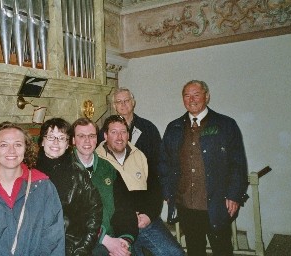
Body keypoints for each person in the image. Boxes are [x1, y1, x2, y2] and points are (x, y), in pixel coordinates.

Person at [160, 80, 249, 256]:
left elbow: (238, 164)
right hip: (186, 205)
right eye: (187, 95)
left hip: (217, 203)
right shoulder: (174, 127)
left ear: (207, 97)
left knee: (222, 249)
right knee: (194, 249)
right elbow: (164, 163)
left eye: (196, 94)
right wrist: (167, 191)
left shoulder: (226, 125)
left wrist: (233, 195)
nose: (191, 99)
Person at [0, 122, 65, 255]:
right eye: (4, 145)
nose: (11, 151)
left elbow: (53, 240)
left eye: (18, 144)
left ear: (26, 149)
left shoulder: (43, 187)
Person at [96, 115, 184, 256]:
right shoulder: (96, 161)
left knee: (175, 253)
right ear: (105, 135)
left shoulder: (141, 156)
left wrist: (149, 214)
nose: (119, 137)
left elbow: (155, 189)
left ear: (128, 135)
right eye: (114, 132)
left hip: (145, 221)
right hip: (115, 226)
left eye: (123, 132)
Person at [70, 117, 138, 256]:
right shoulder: (66, 171)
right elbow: (71, 217)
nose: (87, 141)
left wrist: (124, 240)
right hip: (81, 242)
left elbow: (125, 208)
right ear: (73, 140)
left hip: (114, 237)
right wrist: (105, 240)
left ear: (97, 138)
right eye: (81, 136)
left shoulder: (108, 169)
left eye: (91, 136)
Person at [35, 118, 103, 255]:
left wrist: (84, 247)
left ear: (67, 144)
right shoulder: (28, 172)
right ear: (42, 141)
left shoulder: (78, 172)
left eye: (61, 138)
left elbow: (95, 209)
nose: (55, 142)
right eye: (50, 137)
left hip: (71, 247)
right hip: (36, 245)